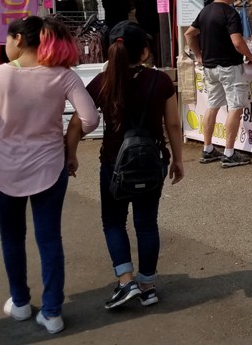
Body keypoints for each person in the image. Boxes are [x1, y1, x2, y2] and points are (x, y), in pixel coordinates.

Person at [67, 21, 184, 310]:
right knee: (146, 224)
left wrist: (71, 153)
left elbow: (77, 122)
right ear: (144, 52)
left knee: (113, 222)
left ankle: (125, 281)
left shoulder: (101, 82)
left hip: (113, 164)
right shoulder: (161, 81)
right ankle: (147, 285)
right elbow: (172, 123)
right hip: (152, 161)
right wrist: (178, 159)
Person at [0, 16, 99, 335]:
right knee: (49, 238)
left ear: (17, 39)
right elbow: (90, 119)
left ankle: (21, 302)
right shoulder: (64, 76)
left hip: (4, 171)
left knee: (12, 238)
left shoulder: (0, 75)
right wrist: (70, 149)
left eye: (7, 40)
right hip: (50, 167)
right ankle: (52, 312)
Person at [184, 0, 252, 168]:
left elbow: (189, 34)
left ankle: (208, 149)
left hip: (210, 67)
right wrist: (250, 56)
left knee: (213, 105)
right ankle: (229, 153)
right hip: (229, 67)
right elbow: (237, 42)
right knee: (235, 107)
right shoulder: (230, 12)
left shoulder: (205, 11)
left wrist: (199, 55)